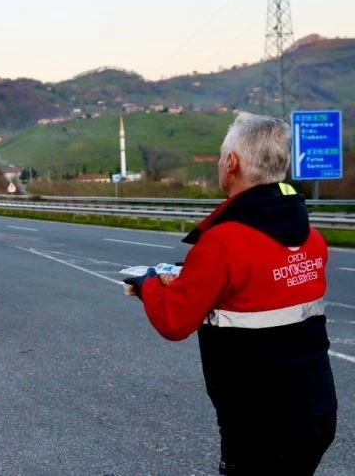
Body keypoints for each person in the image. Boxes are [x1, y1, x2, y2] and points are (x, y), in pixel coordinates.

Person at [124, 112, 337, 475]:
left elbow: (173, 321)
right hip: (315, 410)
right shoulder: (311, 238)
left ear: (232, 163)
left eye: (222, 157)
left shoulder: (222, 242)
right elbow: (260, 288)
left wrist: (147, 283)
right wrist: (193, 278)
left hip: (259, 425)